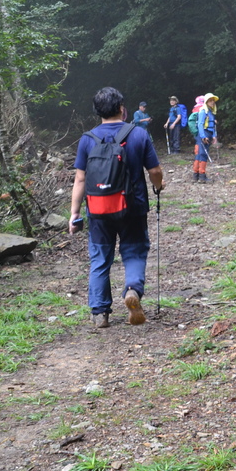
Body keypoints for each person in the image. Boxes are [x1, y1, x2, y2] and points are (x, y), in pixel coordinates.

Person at [69, 87, 165, 328]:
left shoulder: (87, 139)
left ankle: (100, 313)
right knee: (133, 251)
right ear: (122, 109)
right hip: (133, 207)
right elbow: (154, 171)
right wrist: (159, 186)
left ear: (97, 112)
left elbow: (80, 179)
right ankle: (132, 290)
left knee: (101, 259)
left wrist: (75, 214)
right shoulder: (138, 135)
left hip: (98, 209)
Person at [192, 92, 218, 183]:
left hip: (209, 134)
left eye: (213, 101)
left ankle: (196, 175)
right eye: (210, 100)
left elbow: (212, 126)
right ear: (206, 102)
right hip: (204, 134)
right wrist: (203, 136)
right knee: (202, 154)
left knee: (201, 153)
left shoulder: (210, 112)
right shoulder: (203, 111)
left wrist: (214, 136)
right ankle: (201, 176)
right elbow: (200, 124)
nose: (212, 102)